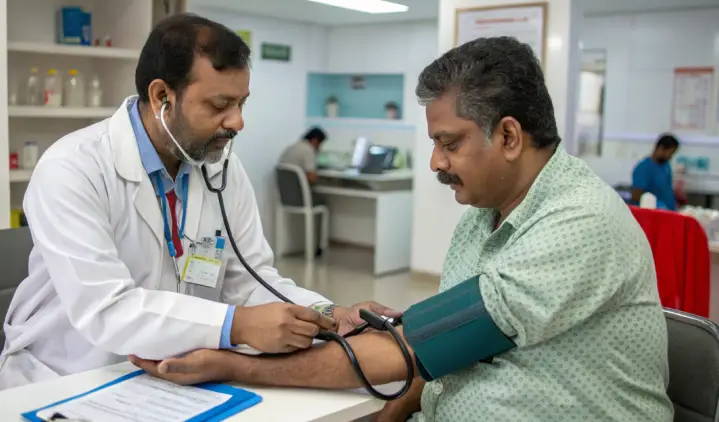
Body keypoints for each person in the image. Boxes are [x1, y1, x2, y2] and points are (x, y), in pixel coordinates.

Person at [132, 37, 673, 422]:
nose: (435, 162)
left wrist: (231, 367)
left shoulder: (578, 221)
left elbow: (409, 350)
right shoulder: (482, 217)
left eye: (449, 143)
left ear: (509, 137)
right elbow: (436, 353)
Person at [0, 14, 398, 391]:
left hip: (173, 375)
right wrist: (237, 326)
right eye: (219, 105)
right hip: (66, 376)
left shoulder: (220, 166)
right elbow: (106, 309)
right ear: (162, 96)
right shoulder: (73, 168)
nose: (238, 122)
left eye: (241, 103)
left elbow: (249, 279)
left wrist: (329, 314)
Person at [631, 134, 680, 210]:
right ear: (661, 148)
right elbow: (636, 195)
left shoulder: (666, 165)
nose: (671, 157)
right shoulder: (643, 168)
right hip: (655, 213)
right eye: (670, 153)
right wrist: (656, 205)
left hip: (669, 211)